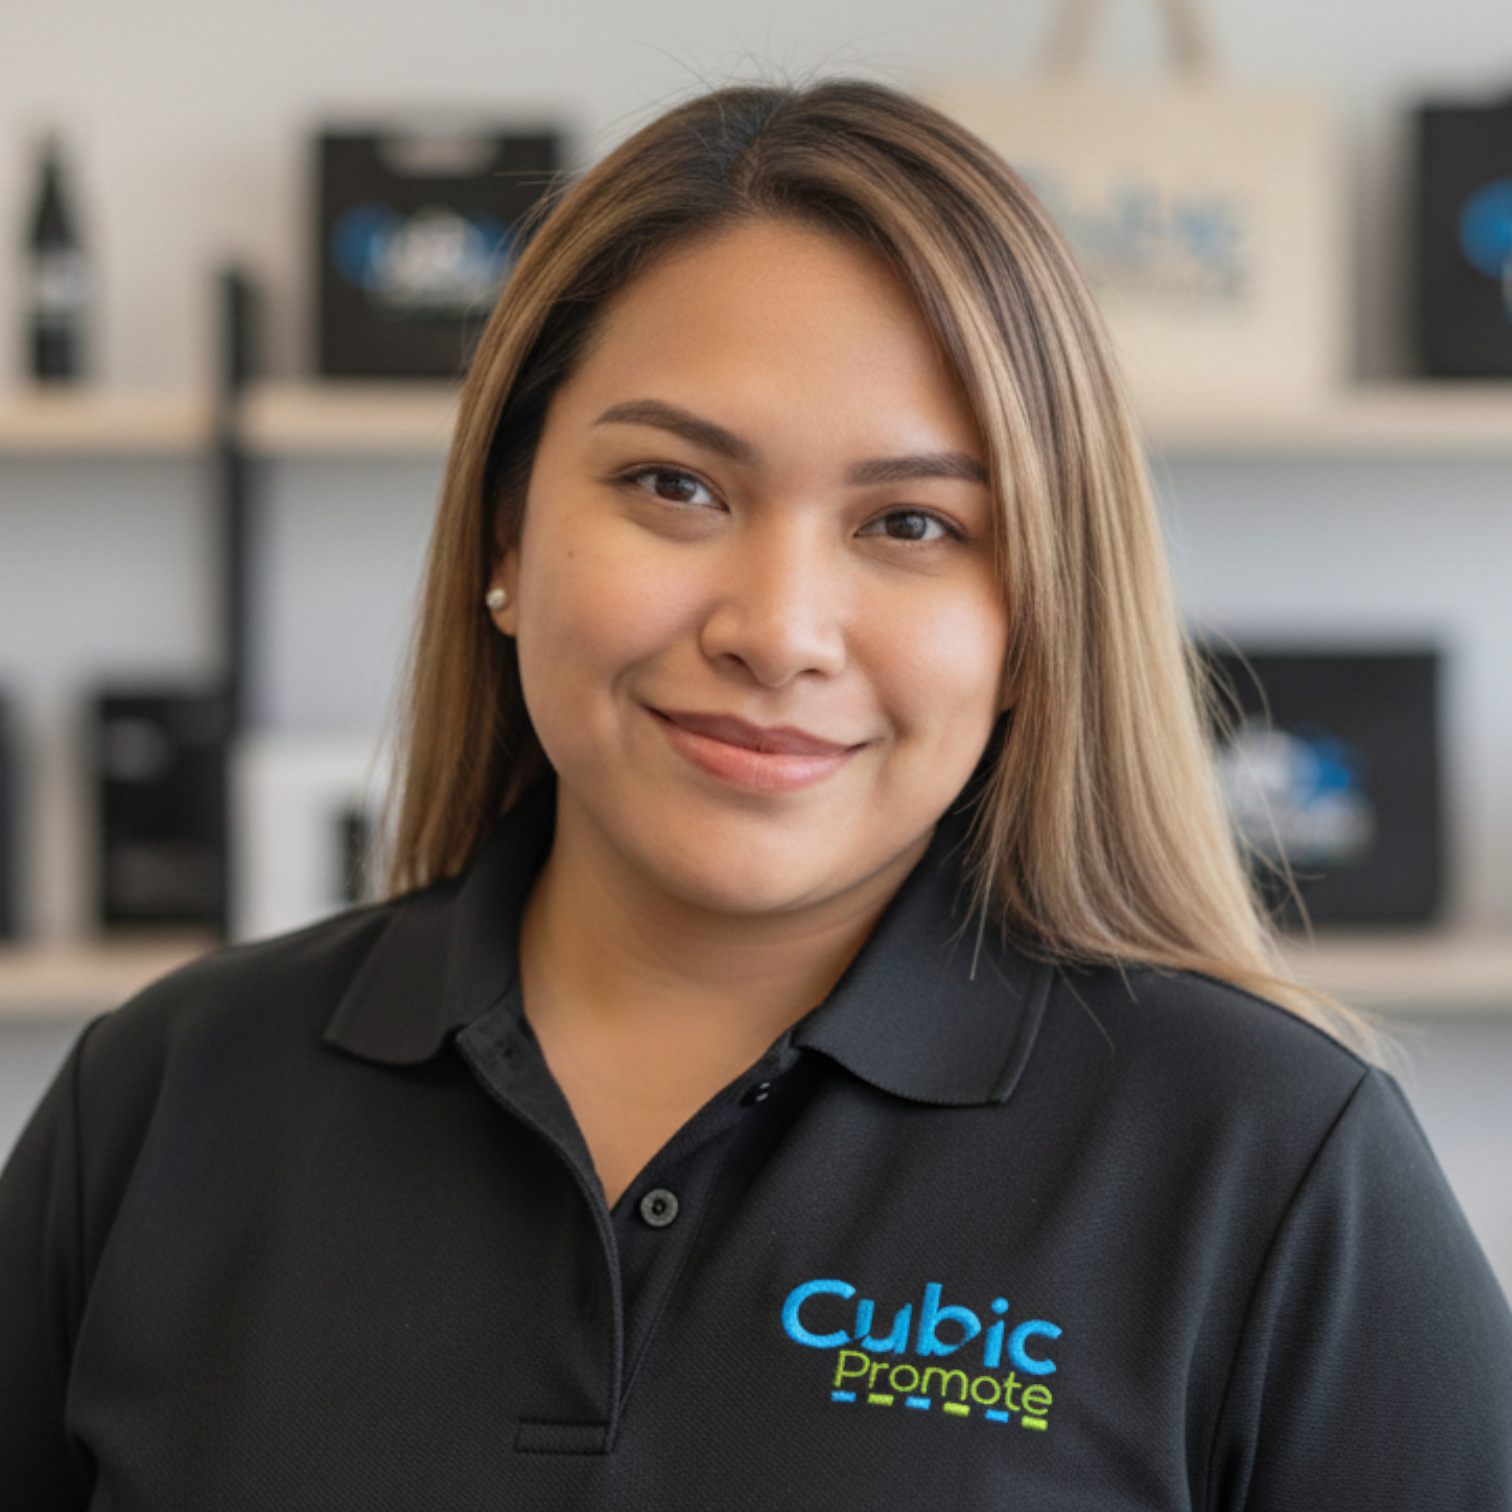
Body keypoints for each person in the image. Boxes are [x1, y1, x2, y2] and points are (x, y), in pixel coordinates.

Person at [2, 80, 1509, 1510]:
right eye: (675, 486)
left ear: (1035, 626)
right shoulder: (159, 1103)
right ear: (505, 532)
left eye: (911, 523)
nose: (777, 631)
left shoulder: (1270, 1163)